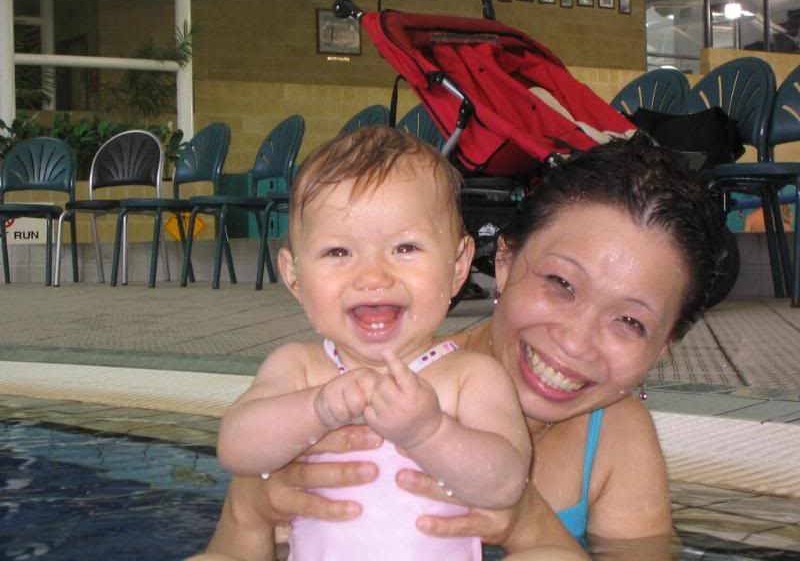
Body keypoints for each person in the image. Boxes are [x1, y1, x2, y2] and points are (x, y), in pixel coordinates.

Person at [196, 133, 729, 560]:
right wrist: (251, 507)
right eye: (561, 283)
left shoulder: (614, 438)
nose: (574, 341)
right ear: (502, 262)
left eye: (630, 321)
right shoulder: (311, 377)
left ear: (664, 346)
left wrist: (527, 522)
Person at [214, 126, 533, 561]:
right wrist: (316, 409)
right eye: (338, 252)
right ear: (294, 275)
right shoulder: (298, 369)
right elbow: (236, 447)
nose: (372, 276)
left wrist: (431, 432)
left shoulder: (470, 376)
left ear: (458, 266)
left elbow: (506, 483)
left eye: (405, 248)